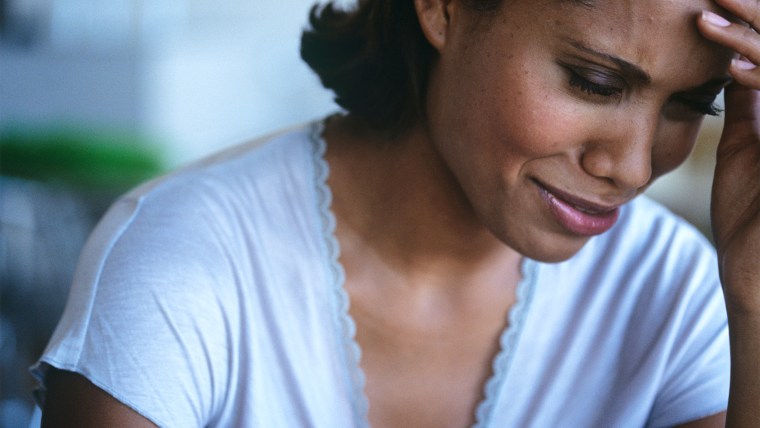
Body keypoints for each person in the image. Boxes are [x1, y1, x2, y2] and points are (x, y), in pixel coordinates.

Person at [32, 0, 760, 426]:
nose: (633, 167)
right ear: (442, 7)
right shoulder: (182, 266)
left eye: (692, 104)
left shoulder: (674, 295)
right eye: (594, 82)